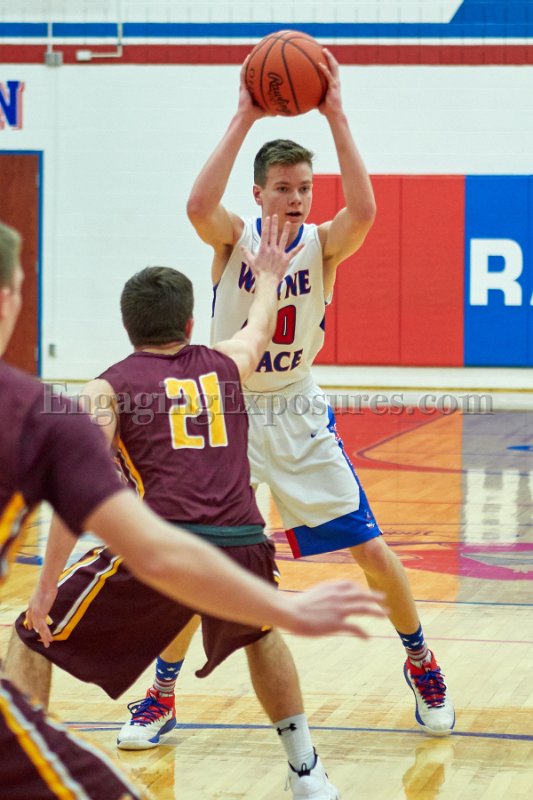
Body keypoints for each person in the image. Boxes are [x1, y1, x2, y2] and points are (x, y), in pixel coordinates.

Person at [0, 219, 384, 800]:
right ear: (188, 323)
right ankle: (305, 768)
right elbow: (259, 328)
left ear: (127, 327)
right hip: (244, 541)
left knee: (33, 633)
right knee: (261, 635)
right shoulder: (227, 363)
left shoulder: (105, 390)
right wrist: (270, 277)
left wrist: (46, 586)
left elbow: (77, 500)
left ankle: (19, 761)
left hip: (166, 547)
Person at [186, 47, 455, 738]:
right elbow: (197, 205)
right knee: (198, 555)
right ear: (258, 194)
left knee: (370, 549)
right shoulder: (233, 240)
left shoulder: (323, 245)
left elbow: (364, 209)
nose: (297, 198)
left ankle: (420, 659)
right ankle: (161, 691)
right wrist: (244, 115)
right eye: (283, 187)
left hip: (296, 405)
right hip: (232, 411)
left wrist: (335, 114)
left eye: (304, 187)